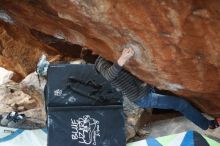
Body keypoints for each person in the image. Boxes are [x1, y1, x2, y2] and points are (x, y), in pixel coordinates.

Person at [95, 48, 220, 130]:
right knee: (181, 104)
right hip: (144, 97)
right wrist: (122, 58)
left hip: (147, 88)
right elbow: (109, 75)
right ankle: (209, 125)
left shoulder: (109, 54)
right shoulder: (100, 63)